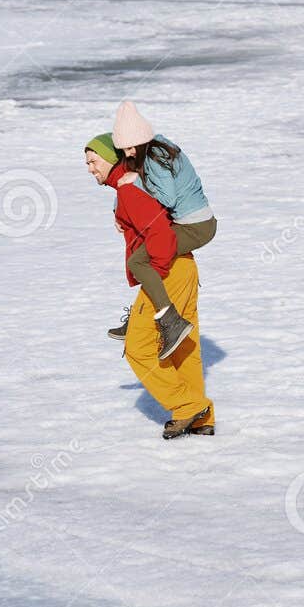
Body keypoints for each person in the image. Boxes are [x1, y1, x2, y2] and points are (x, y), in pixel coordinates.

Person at [86, 133, 215, 439]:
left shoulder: (130, 191)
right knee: (184, 346)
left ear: (112, 158)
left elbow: (161, 235)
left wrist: (154, 275)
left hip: (168, 270)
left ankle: (188, 406)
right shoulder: (127, 187)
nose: (90, 169)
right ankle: (201, 418)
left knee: (138, 347)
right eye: (87, 163)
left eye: (93, 161)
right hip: (183, 266)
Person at [105, 101, 218, 357]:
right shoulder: (149, 149)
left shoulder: (156, 157)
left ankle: (172, 323)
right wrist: (118, 207)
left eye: (131, 147)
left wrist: (137, 183)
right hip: (189, 223)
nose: (129, 153)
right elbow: (127, 178)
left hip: (197, 227)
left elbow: (166, 198)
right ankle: (141, 318)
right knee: (152, 259)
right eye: (124, 149)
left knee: (139, 262)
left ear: (142, 140)